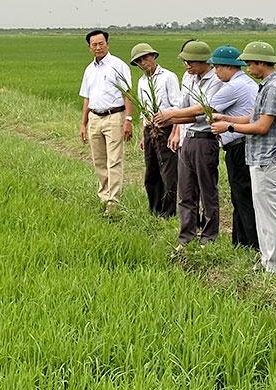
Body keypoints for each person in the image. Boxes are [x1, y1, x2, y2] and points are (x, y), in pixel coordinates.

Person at [210, 41, 276, 277]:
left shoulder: (274, 88)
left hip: (268, 158)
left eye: (249, 63)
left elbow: (262, 126)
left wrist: (229, 127)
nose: (247, 68)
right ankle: (267, 261)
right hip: (259, 157)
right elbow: (253, 117)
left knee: (270, 214)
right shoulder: (266, 86)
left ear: (261, 63)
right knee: (262, 213)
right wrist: (226, 118)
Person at [154, 40, 224, 247]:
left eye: (190, 62)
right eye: (185, 62)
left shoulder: (216, 80)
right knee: (186, 191)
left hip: (206, 140)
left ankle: (208, 238)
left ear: (203, 62)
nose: (187, 66)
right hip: (189, 138)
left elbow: (203, 109)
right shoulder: (189, 77)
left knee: (207, 190)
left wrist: (171, 114)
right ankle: (186, 237)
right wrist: (169, 120)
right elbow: (185, 110)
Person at [203, 45, 259, 250]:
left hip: (239, 146)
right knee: (242, 195)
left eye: (217, 67)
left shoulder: (233, 86)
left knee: (242, 196)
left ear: (228, 67)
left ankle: (250, 244)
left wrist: (171, 115)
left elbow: (205, 108)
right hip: (244, 144)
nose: (215, 72)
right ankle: (241, 242)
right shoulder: (248, 83)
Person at [79, 29, 133, 213]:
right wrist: (83, 124)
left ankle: (113, 202)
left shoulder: (118, 65)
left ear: (107, 44)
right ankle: (103, 196)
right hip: (94, 118)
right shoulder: (89, 70)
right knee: (99, 161)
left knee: (114, 160)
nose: (98, 47)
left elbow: (127, 94)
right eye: (94, 45)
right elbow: (86, 98)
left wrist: (128, 120)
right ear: (89, 47)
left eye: (101, 43)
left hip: (114, 117)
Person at [129, 42, 181, 217]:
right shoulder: (142, 81)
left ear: (153, 56)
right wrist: (143, 135)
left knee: (168, 172)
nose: (143, 63)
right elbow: (143, 110)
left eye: (145, 58)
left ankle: (168, 212)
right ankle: (154, 209)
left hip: (166, 128)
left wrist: (173, 128)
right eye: (138, 61)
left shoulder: (168, 77)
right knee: (151, 172)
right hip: (149, 129)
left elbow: (178, 106)